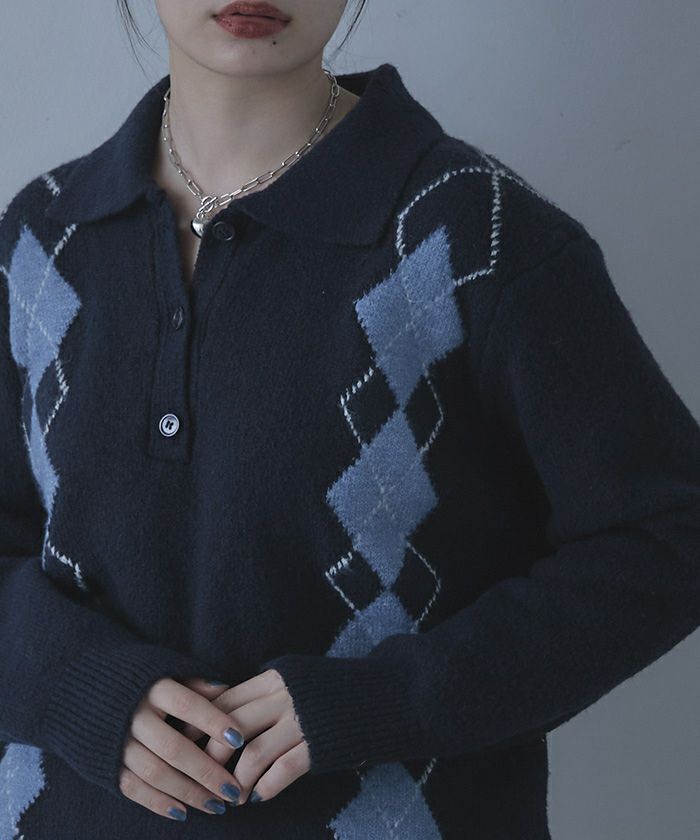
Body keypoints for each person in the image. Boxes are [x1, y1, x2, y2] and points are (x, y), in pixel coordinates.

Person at [1, 1, 699, 838]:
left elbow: (668, 535)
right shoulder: (42, 240)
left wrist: (392, 700)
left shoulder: (481, 239)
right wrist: (70, 684)